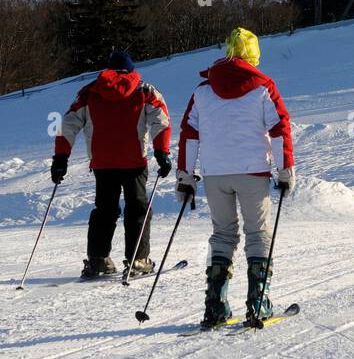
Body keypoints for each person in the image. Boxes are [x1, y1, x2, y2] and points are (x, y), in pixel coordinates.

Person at [177, 28, 295, 327]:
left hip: (215, 174)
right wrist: (285, 169)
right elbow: (280, 127)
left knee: (223, 235)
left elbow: (190, 133)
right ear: (253, 56)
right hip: (252, 172)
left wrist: (186, 176)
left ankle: (215, 307)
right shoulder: (263, 86)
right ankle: (258, 304)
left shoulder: (202, 91)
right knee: (258, 234)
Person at [52, 48, 172, 279]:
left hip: (103, 162)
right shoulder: (145, 90)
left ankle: (98, 260)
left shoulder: (90, 92)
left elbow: (66, 124)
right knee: (137, 209)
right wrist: (161, 152)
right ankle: (137, 259)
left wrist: (60, 158)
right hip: (134, 160)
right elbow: (161, 121)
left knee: (105, 210)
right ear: (131, 69)